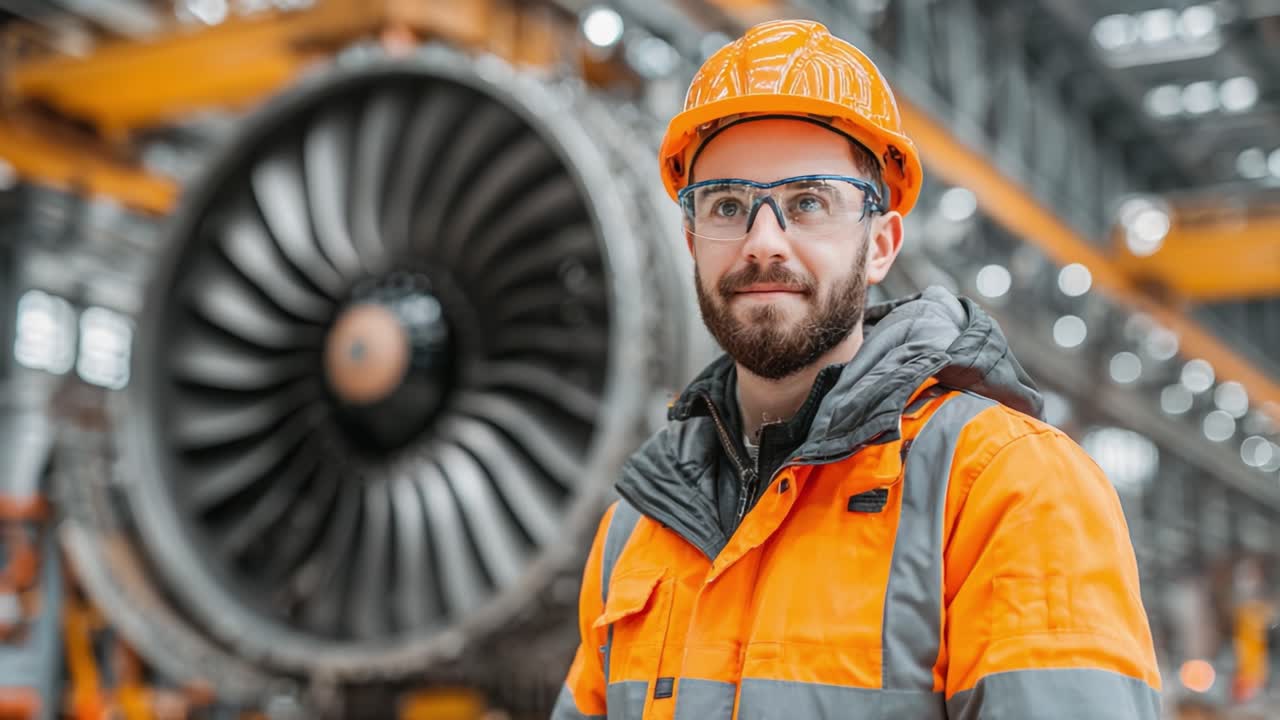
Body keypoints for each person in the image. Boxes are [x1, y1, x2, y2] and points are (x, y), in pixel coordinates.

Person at [551, 18, 1161, 720]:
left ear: (881, 244)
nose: (763, 241)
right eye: (727, 205)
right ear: (692, 240)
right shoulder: (636, 529)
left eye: (807, 202)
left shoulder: (1008, 490)